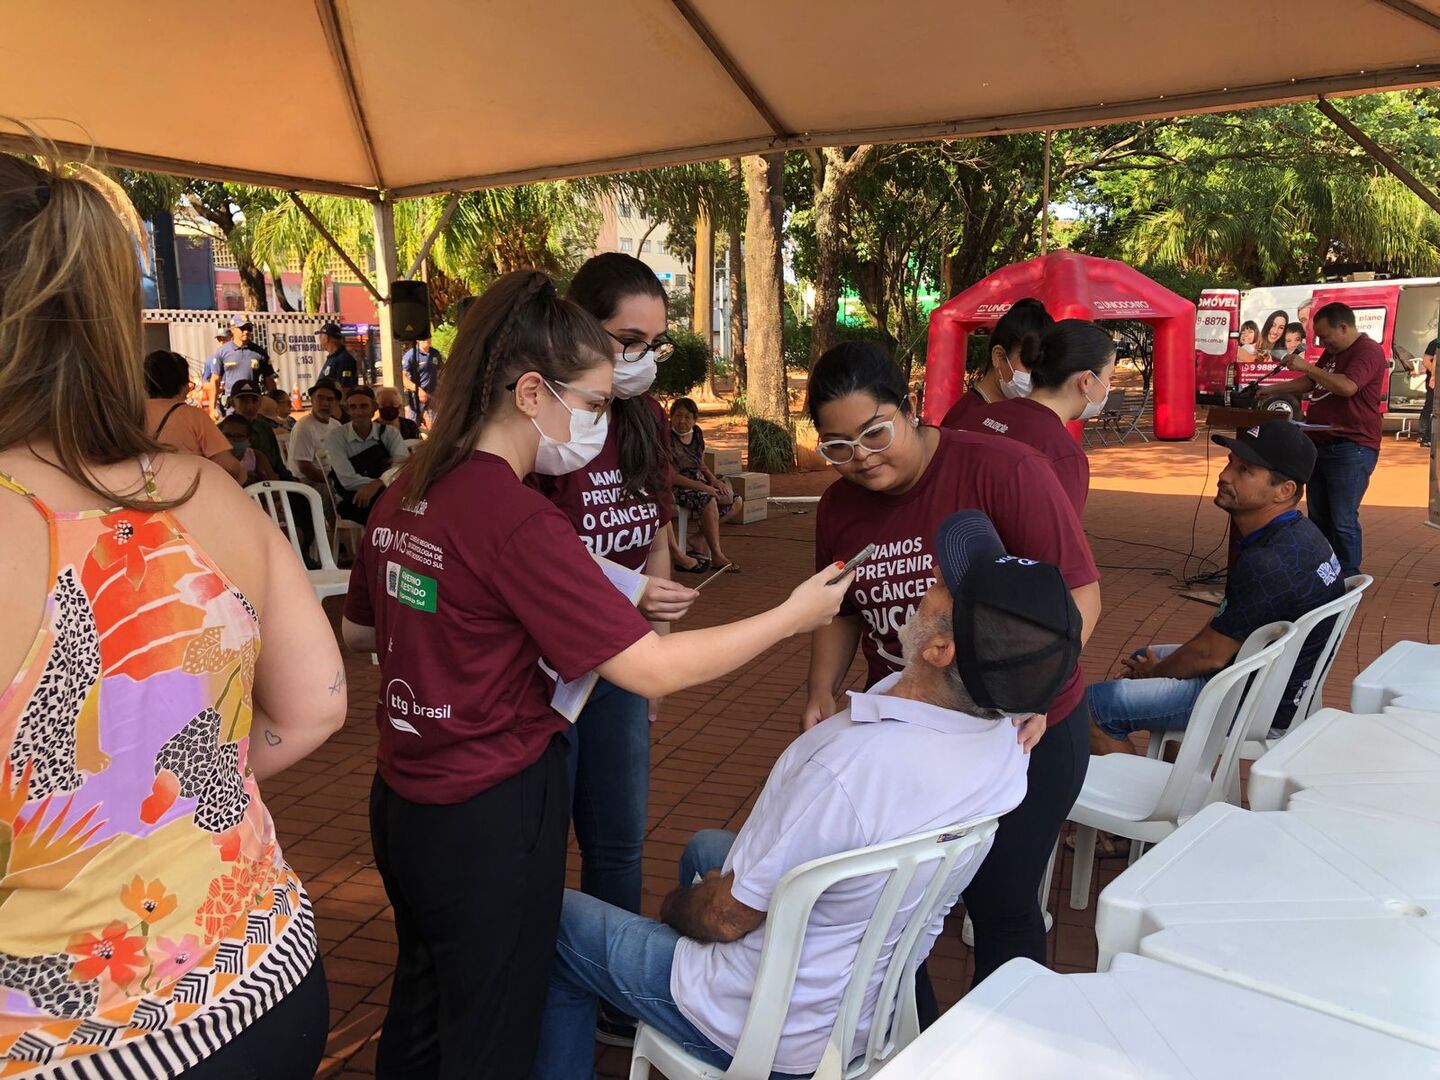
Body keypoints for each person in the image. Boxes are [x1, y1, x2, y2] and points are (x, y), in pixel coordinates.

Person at [340, 269, 851, 1079]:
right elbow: (648, 669)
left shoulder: (407, 489)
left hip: (404, 800)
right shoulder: (514, 518)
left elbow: (362, 627)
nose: (601, 423)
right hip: (492, 807)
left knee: (424, 1001)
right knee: (493, 1025)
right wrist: (790, 617)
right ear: (533, 392)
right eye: (597, 403)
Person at [0, 146, 345, 1078]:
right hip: (262, 975)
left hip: (64, 1043)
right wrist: (197, 786)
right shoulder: (198, 490)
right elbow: (315, 703)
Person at [534, 511, 1082, 1078]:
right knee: (704, 847)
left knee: (549, 921)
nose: (924, 584)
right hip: (867, 1007)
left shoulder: (849, 771)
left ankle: (666, 1021)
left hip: (768, 1030)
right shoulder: (1008, 737)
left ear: (940, 650)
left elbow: (725, 920)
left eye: (940, 587)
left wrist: (676, 911)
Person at [803, 341, 1100, 993]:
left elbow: (1079, 595)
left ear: (910, 408)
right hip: (916, 734)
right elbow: (841, 609)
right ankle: (915, 1042)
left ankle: (1010, 1046)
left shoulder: (1003, 471)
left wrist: (1034, 691)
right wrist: (822, 689)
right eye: (838, 447)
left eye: (874, 432)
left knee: (1000, 901)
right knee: (891, 905)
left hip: (1024, 730)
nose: (862, 458)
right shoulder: (838, 508)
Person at [531, 252, 692, 1045]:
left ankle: (612, 1001)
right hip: (537, 676)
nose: (641, 360)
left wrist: (656, 656)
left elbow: (655, 537)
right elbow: (526, 552)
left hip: (622, 668)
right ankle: (533, 982)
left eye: (654, 343)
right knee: (532, 839)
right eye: (627, 339)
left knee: (618, 842)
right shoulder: (539, 426)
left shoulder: (645, 420)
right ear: (575, 327)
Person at [1089, 422, 1344, 752]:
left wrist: (1159, 672)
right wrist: (1160, 669)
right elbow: (1220, 632)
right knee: (1143, 659)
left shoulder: (1268, 560)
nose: (1225, 476)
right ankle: (1181, 784)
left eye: (1245, 470)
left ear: (1284, 490)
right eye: (1230, 462)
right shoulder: (1300, 534)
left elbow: (1210, 656)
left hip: (1252, 698)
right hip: (1266, 677)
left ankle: (1145, 799)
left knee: (1093, 707)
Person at [1258, 301, 1386, 578]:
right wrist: (1271, 389)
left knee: (1342, 520)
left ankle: (1348, 579)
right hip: (1320, 443)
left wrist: (1308, 367)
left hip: (1351, 446)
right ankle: (1324, 574)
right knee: (1319, 516)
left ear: (1344, 326)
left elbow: (1346, 386)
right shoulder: (1332, 352)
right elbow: (1311, 383)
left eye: (1326, 336)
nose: (1323, 341)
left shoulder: (1367, 351)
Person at [947, 319, 1115, 516]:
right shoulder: (1062, 454)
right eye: (1110, 378)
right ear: (1086, 380)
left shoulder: (979, 415)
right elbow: (1057, 543)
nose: (1109, 387)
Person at [942, 297, 1054, 427]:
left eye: (1043, 366)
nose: (1036, 376)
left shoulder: (1025, 412)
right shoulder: (964, 420)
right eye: (1030, 363)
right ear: (999, 357)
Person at [144, 348, 248, 484]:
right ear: (184, 385)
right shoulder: (194, 416)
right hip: (186, 495)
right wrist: (243, 475)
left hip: (144, 495)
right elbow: (229, 467)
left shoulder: (131, 414)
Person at [668, 397, 742, 572]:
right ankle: (717, 555)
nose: (682, 421)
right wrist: (705, 488)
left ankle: (699, 537)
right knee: (709, 499)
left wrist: (713, 480)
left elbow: (700, 463)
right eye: (678, 416)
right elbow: (671, 476)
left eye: (688, 417)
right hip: (676, 487)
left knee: (735, 501)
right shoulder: (665, 437)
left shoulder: (697, 434)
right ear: (671, 417)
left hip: (698, 482)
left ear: (694, 419)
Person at [324, 387, 409, 525]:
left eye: (364, 406)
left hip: (388, 492)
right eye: (353, 407)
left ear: (374, 408)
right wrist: (380, 485)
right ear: (347, 410)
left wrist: (378, 484)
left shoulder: (390, 433)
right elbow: (347, 480)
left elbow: (401, 466)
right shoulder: (336, 437)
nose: (358, 412)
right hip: (353, 498)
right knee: (389, 510)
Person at [205, 314, 275, 412]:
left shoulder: (260, 352)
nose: (246, 331)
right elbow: (215, 381)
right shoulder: (222, 352)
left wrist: (273, 404)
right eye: (242, 328)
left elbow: (269, 380)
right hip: (232, 407)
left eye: (249, 328)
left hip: (255, 405)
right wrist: (212, 409)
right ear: (233, 329)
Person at [286, 378, 343, 487]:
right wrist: (332, 482)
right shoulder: (304, 427)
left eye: (330, 399)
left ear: (336, 403)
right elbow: (304, 468)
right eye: (320, 398)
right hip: (306, 483)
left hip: (330, 477)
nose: (325, 403)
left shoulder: (336, 425)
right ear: (312, 400)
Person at [218, 412, 276, 485]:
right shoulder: (214, 458)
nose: (231, 440)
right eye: (227, 435)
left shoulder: (256, 456)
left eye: (238, 436)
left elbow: (272, 485)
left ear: (250, 440)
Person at [402, 334, 444, 427]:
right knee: (412, 424)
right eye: (423, 338)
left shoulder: (435, 353)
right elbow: (403, 377)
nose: (427, 340)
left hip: (433, 394)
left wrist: (441, 388)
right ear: (417, 340)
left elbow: (440, 372)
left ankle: (433, 439)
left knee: (436, 423)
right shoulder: (411, 355)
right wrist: (418, 390)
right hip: (416, 395)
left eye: (428, 337)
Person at [316, 321, 360, 389]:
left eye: (320, 336)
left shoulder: (344, 360)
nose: (319, 340)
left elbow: (345, 388)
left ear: (326, 338)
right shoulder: (333, 358)